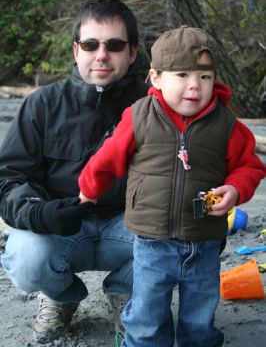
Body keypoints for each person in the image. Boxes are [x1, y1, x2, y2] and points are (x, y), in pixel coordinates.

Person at [78, 25, 266, 347]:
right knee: (148, 312)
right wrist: (89, 189)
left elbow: (249, 165)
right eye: (182, 75)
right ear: (156, 77)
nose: (195, 86)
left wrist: (235, 189)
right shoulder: (139, 117)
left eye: (205, 77)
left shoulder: (225, 124)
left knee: (200, 313)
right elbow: (106, 158)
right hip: (152, 242)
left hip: (205, 240)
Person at [0, 0, 149, 344]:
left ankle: (127, 293)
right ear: (75, 50)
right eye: (90, 44)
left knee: (186, 238)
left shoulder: (156, 106)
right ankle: (60, 296)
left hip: (131, 231)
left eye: (114, 45)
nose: (101, 54)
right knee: (25, 254)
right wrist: (39, 213)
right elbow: (8, 177)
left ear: (132, 52)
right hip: (62, 233)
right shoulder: (42, 104)